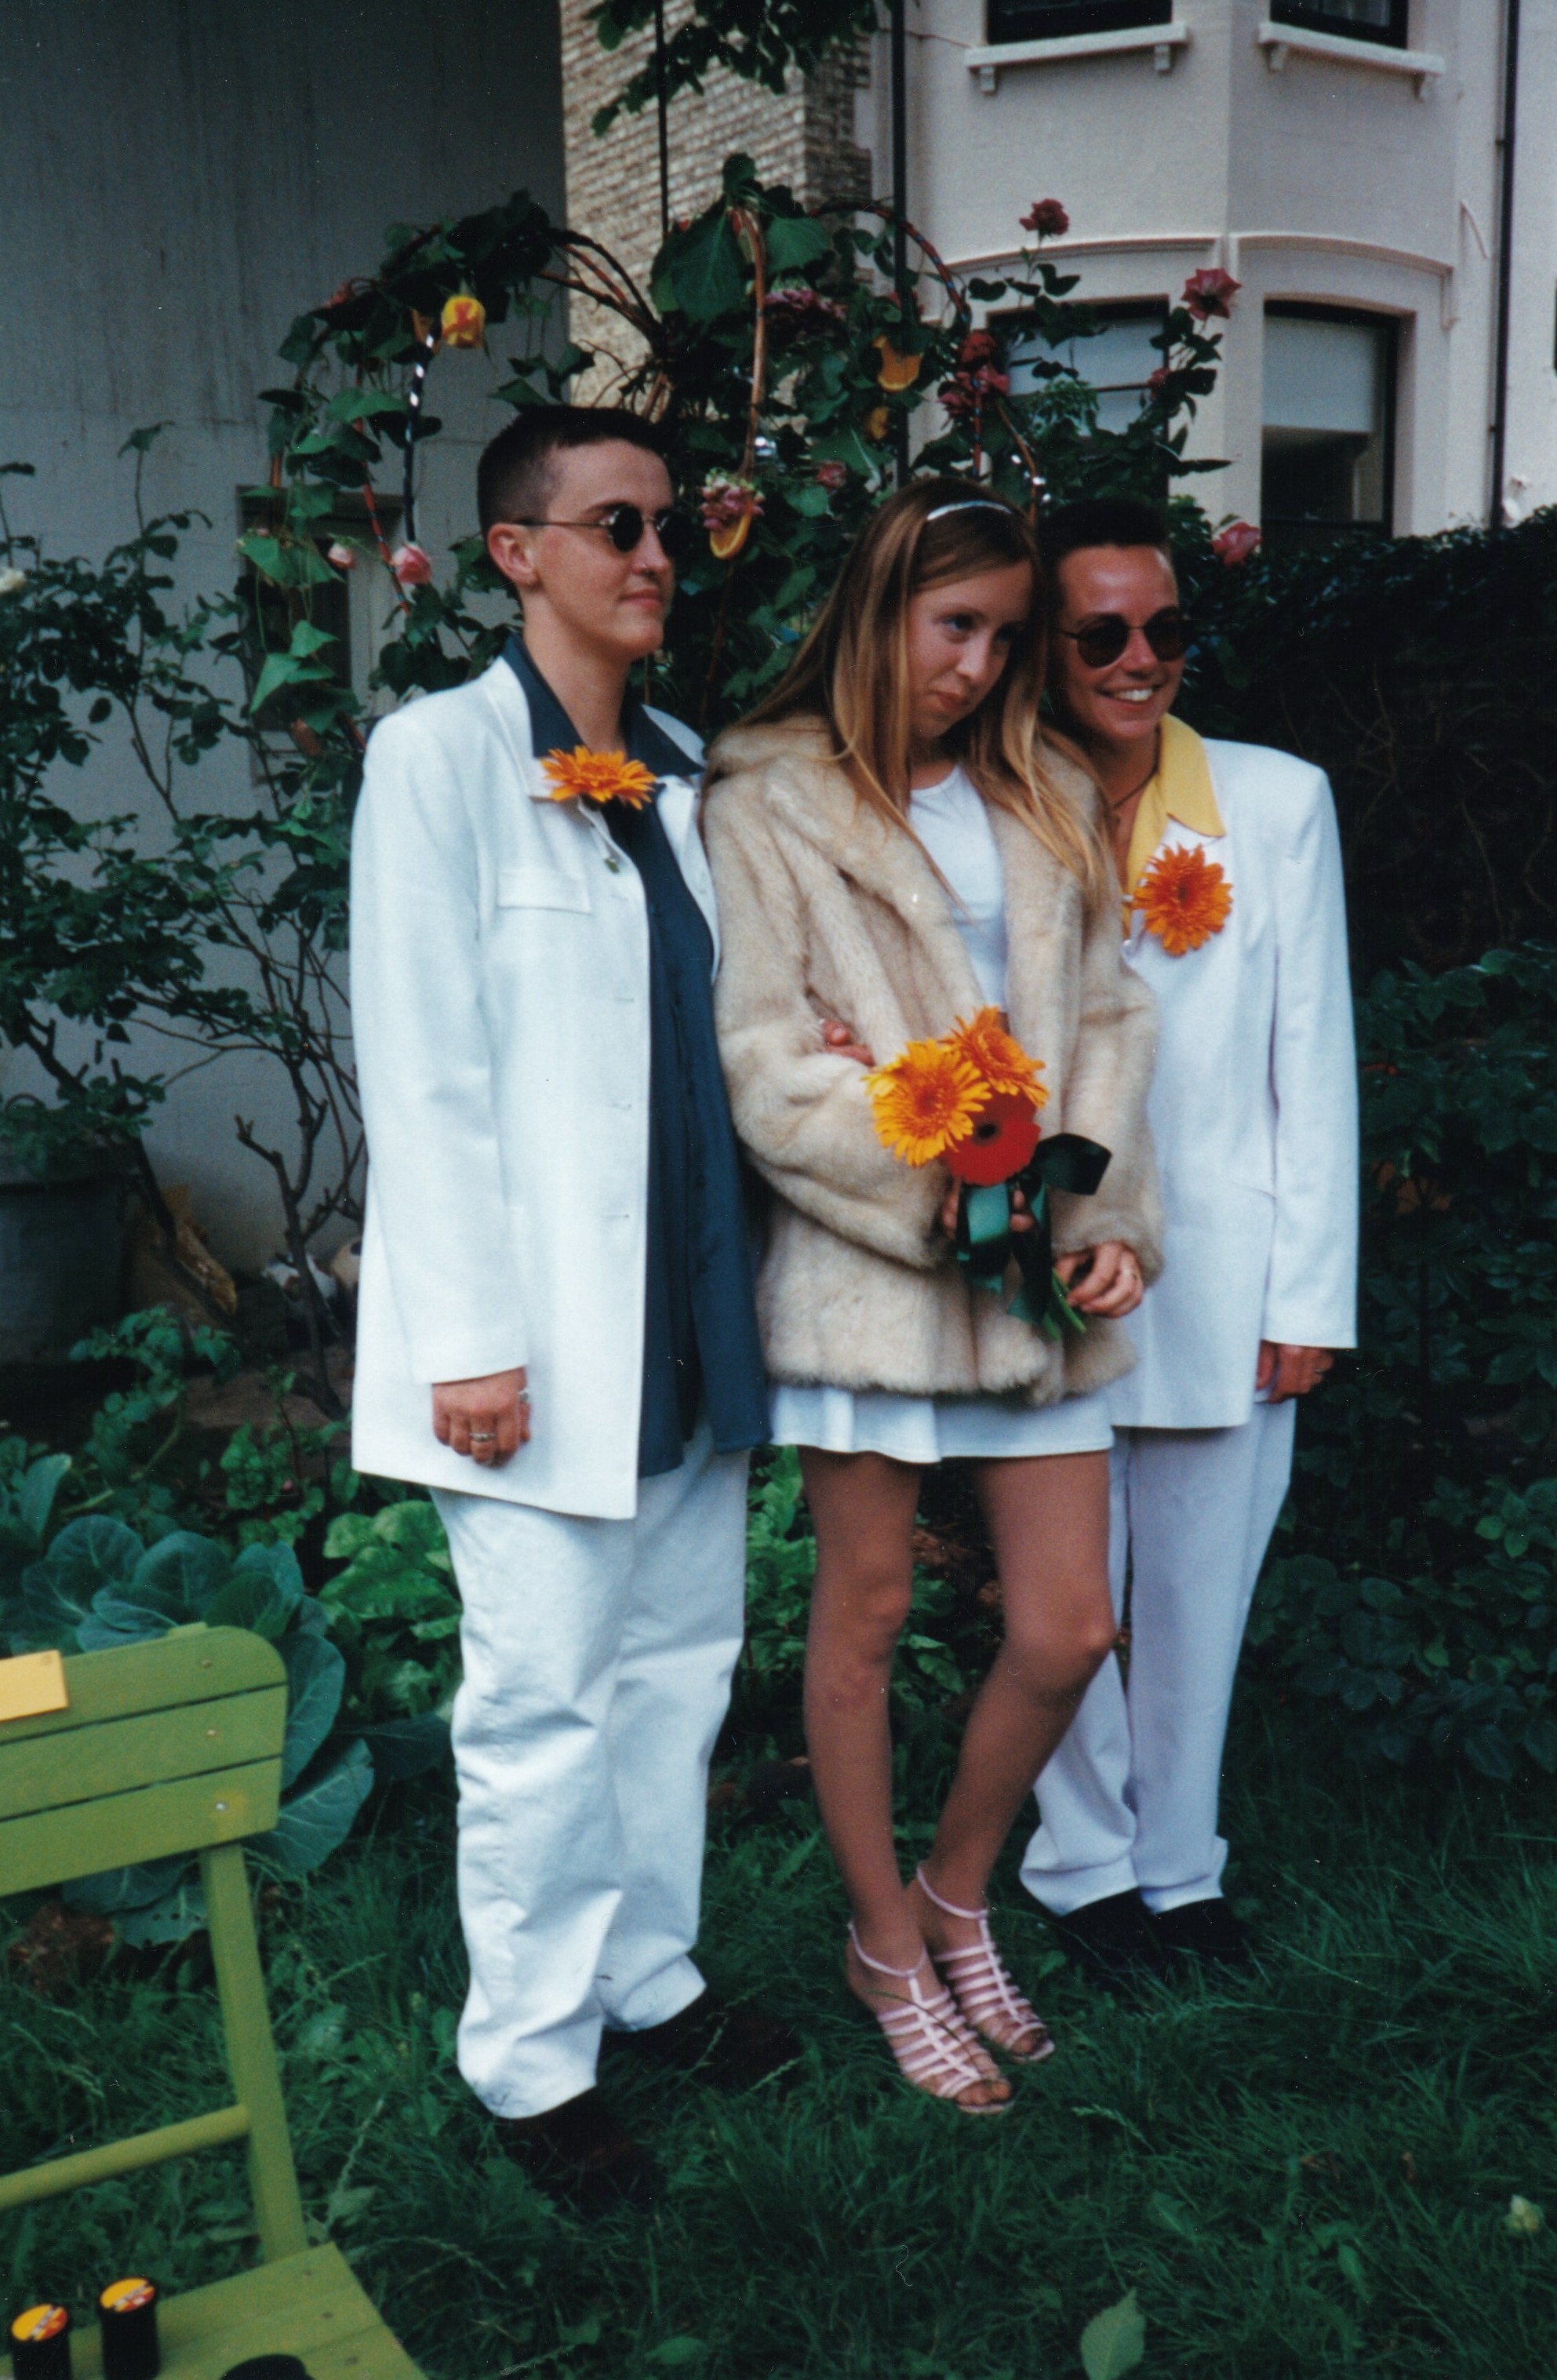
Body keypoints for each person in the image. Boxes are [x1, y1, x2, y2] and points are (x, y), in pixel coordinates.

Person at [349, 405, 795, 2212]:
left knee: (678, 1669)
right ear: (517, 552)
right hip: (534, 1335)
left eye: (669, 523)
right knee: (542, 1697)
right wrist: (467, 1339)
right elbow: (424, 1064)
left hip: (691, 1305)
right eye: (618, 524)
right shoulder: (439, 759)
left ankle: (646, 1971)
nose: (657, 554)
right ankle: (532, 2056)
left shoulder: (684, 767)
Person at [701, 480, 1162, 2113]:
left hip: (1038, 1267)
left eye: (1005, 638)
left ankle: (958, 1892)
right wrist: (943, 1177)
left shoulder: (1043, 788)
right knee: (871, 1609)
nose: (977, 667)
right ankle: (885, 1943)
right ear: (880, 605)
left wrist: (1098, 1212)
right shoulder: (764, 800)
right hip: (868, 1274)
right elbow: (766, 1058)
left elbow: (1106, 1019)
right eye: (954, 625)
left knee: (1068, 1623)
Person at [1020, 497, 1359, 1984]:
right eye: (1099, 632)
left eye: (1161, 626)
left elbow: (1313, 1059)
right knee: (1062, 1594)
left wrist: (1310, 1296)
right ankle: (1080, 1862)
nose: (1137, 657)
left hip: (1226, 1270)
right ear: (1043, 646)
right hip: (1049, 1263)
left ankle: (1179, 1865)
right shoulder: (991, 803)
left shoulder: (1275, 803)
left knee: (1198, 1594)